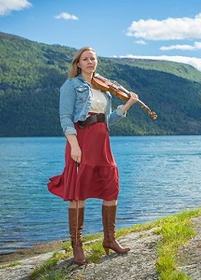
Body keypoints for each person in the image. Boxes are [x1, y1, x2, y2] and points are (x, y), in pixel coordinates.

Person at [48, 47, 138, 265]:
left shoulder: (104, 89)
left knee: (111, 187)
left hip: (102, 142)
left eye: (93, 59)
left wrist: (127, 104)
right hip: (80, 140)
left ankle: (109, 239)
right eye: (85, 59)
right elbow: (65, 118)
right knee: (78, 191)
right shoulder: (71, 86)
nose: (90, 62)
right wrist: (74, 146)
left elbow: (106, 121)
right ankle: (77, 247)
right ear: (78, 63)